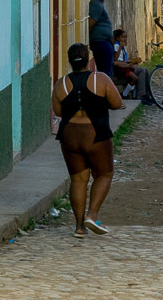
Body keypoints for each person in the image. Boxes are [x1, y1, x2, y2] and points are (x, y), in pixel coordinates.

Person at [52, 43, 124, 236]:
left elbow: (58, 111)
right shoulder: (100, 79)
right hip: (96, 133)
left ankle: (79, 227)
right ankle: (92, 215)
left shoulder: (61, 84)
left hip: (69, 135)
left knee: (78, 180)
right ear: (88, 59)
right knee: (104, 174)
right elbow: (117, 104)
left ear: (69, 60)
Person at [112, 28, 153, 105]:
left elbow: (123, 59)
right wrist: (129, 65)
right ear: (117, 38)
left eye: (125, 37)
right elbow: (116, 60)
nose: (124, 39)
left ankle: (147, 94)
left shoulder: (122, 47)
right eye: (122, 37)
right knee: (141, 71)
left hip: (125, 67)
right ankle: (140, 95)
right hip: (120, 70)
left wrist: (132, 62)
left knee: (145, 70)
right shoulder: (117, 46)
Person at [87, 0, 114, 78]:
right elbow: (91, 23)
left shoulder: (101, 2)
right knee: (105, 72)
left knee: (107, 70)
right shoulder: (96, 4)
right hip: (100, 42)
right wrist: (89, 40)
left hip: (104, 41)